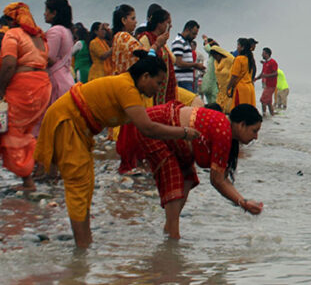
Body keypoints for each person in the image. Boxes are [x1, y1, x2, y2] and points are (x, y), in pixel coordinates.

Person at [34, 50, 202, 248]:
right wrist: (183, 133)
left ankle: (85, 242)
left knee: (86, 183)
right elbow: (147, 127)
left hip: (79, 128)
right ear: (145, 76)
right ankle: (82, 247)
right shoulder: (127, 88)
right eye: (157, 83)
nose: (157, 89)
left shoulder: (131, 89)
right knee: (78, 184)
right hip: (67, 121)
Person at [118, 102, 264, 240]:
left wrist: (243, 202)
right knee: (175, 179)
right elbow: (217, 180)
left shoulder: (226, 131)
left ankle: (170, 232)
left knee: (188, 178)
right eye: (254, 131)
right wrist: (243, 203)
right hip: (154, 127)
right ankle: (172, 237)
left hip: (171, 134)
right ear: (242, 125)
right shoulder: (223, 131)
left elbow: (221, 178)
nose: (256, 137)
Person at [0, 3, 51, 191]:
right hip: (42, 86)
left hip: (24, 88)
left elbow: (8, 64)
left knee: (10, 131)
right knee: (24, 132)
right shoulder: (39, 37)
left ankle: (28, 180)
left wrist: (0, 90)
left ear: (11, 20)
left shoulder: (13, 35)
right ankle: (38, 167)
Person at [43, 0, 75, 116]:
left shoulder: (55, 31)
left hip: (56, 79)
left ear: (54, 13)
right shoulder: (66, 30)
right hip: (65, 77)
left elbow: (49, 58)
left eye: (47, 10)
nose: (44, 14)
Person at [138, 8, 177, 105]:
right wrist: (156, 45)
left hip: (166, 90)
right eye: (168, 23)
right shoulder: (146, 38)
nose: (170, 26)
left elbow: (172, 59)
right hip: (153, 91)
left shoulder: (162, 42)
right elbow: (145, 60)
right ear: (159, 24)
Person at [111, 4, 147, 75]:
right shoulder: (124, 36)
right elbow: (143, 53)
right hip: (128, 79)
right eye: (133, 18)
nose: (136, 21)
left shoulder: (117, 36)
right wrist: (157, 45)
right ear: (123, 20)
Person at [170, 20, 204, 93]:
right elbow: (179, 63)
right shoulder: (178, 42)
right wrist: (195, 65)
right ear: (187, 30)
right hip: (181, 80)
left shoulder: (186, 43)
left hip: (187, 80)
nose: (194, 37)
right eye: (193, 34)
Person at [226, 38, 256, 110]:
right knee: (249, 111)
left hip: (241, 89)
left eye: (238, 45)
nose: (237, 47)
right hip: (250, 88)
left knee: (239, 112)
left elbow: (234, 76)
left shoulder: (239, 59)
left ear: (242, 47)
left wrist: (228, 87)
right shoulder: (250, 58)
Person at [255, 47, 278, 117]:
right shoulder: (265, 63)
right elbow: (262, 74)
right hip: (265, 85)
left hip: (271, 85)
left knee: (263, 100)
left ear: (267, 54)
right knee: (268, 102)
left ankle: (264, 116)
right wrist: (255, 78)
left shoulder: (273, 62)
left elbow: (276, 73)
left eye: (263, 53)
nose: (262, 55)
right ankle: (272, 115)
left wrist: (266, 75)